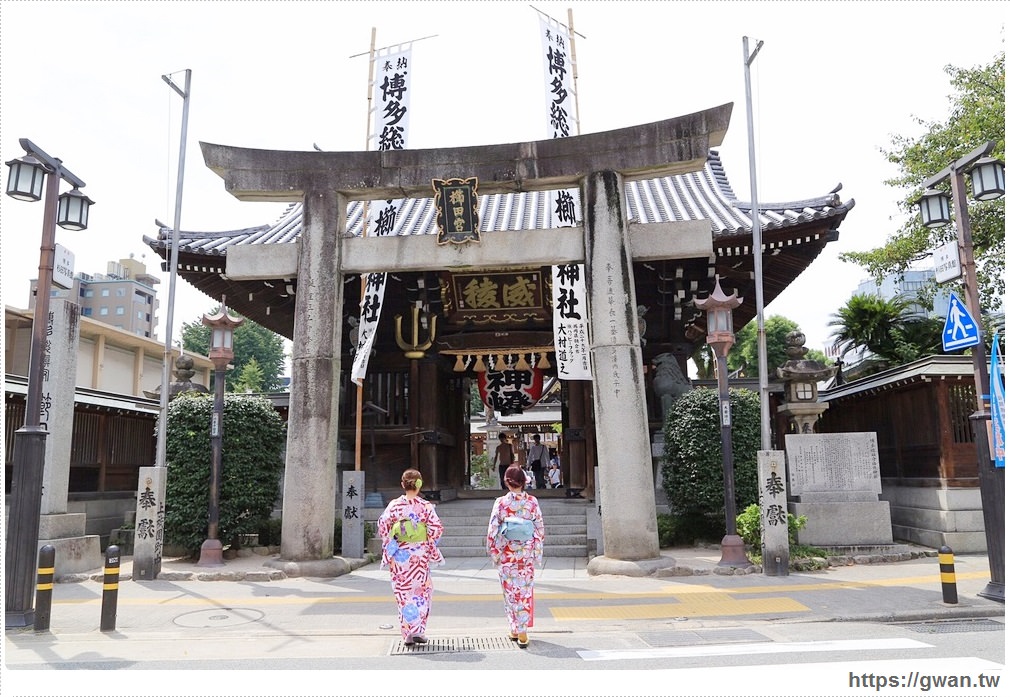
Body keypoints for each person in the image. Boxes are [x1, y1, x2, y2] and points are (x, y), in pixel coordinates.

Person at [377, 468, 444, 647]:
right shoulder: (425, 506)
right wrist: (424, 539)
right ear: (420, 484)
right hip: (419, 557)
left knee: (403, 594)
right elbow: (437, 529)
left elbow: (383, 527)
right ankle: (418, 630)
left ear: (402, 485)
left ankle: (407, 633)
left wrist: (394, 537)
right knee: (421, 592)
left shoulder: (394, 505)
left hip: (399, 557)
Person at [486, 465, 545, 648]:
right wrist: (536, 552)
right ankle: (520, 630)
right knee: (524, 592)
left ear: (507, 482)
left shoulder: (501, 503)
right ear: (524, 481)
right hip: (525, 554)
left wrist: (494, 552)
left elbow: (493, 530)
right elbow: (539, 528)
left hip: (507, 553)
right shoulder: (532, 502)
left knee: (510, 592)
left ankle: (517, 628)